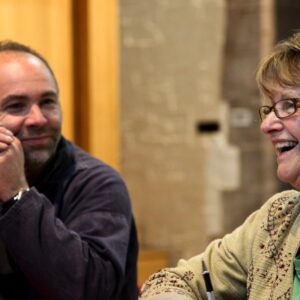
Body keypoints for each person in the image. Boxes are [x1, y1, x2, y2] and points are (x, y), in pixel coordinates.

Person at [139, 32, 300, 299]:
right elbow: (174, 280)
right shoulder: (279, 220)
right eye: (270, 108)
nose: (266, 125)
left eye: (289, 105)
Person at [0, 40, 138, 300]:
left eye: (48, 102)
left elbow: (88, 291)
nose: (39, 119)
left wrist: (18, 194)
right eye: (16, 105)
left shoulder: (97, 183)